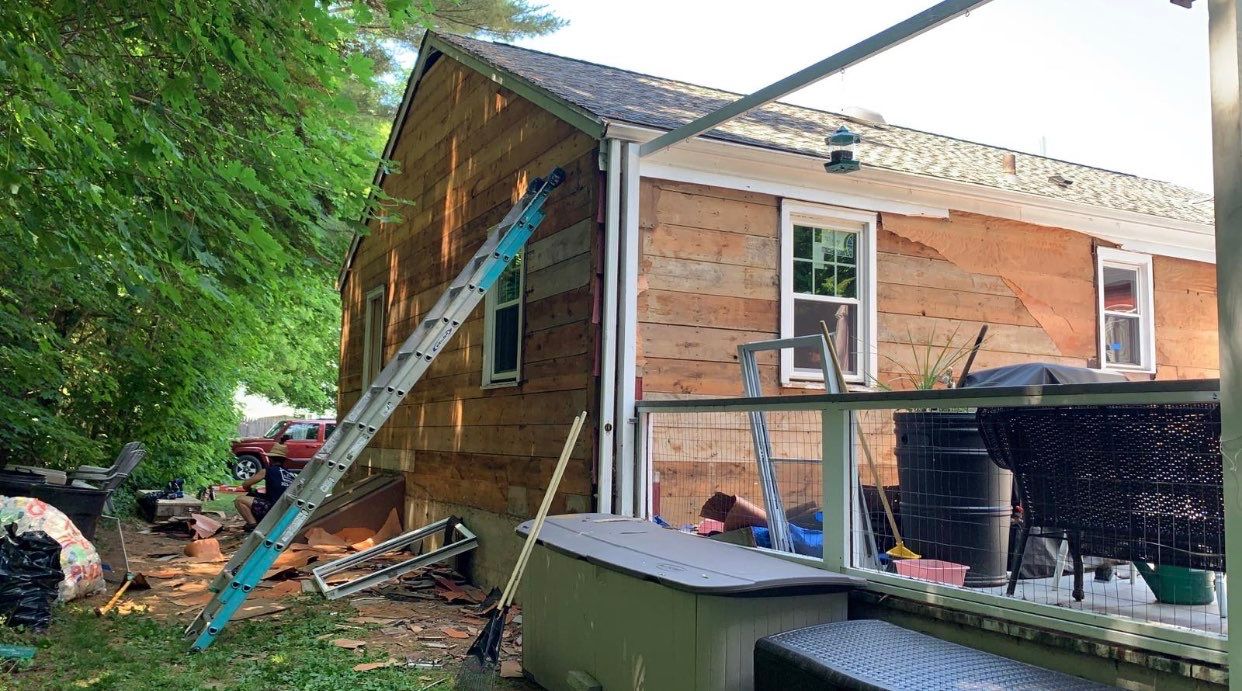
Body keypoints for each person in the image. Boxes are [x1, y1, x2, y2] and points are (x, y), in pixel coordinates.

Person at [235, 435, 294, 530]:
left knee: (240, 500)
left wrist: (250, 490)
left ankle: (253, 525)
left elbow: (245, 484)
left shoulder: (267, 471)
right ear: (284, 460)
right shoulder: (290, 474)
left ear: (271, 459)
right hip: (286, 509)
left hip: (273, 508)